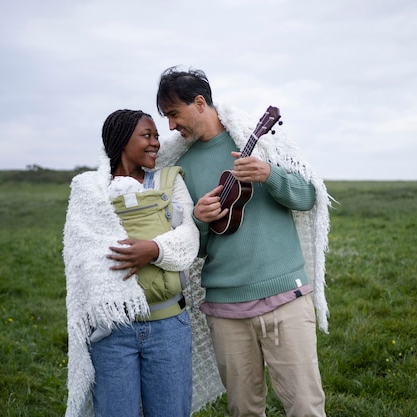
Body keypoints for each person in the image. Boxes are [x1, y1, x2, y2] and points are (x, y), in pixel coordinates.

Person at [153, 66, 332, 417]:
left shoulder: (260, 141)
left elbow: (309, 197)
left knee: (305, 408)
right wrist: (199, 222)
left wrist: (270, 174)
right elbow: (196, 249)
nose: (171, 127)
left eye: (174, 114)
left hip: (285, 300)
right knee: (243, 411)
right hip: (226, 312)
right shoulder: (183, 169)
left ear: (200, 102)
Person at [63, 109, 201, 417]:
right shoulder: (90, 191)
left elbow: (190, 236)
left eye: (156, 136)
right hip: (112, 331)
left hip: (168, 326)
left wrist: (152, 249)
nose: (156, 143)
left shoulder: (169, 181)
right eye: (147, 136)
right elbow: (81, 256)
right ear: (123, 140)